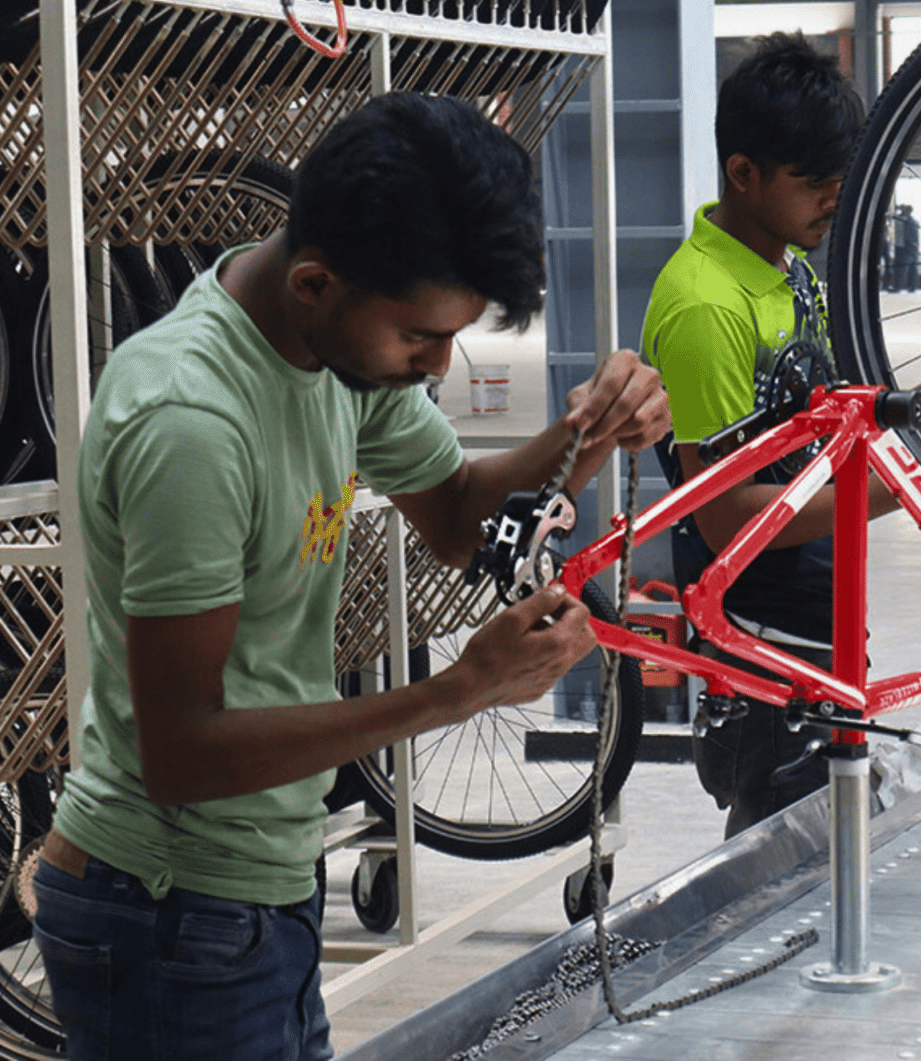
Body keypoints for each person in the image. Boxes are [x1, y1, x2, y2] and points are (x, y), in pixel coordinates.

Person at [33, 92, 670, 1061]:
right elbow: (183, 752)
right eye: (420, 339)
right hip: (169, 911)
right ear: (316, 283)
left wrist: (588, 432)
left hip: (253, 892)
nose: (438, 364)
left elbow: (459, 513)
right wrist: (458, 689)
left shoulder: (331, 353)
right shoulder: (192, 423)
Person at [641, 33, 921, 837]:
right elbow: (727, 517)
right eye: (814, 182)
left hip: (818, 619)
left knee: (822, 857)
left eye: (840, 180)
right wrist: (905, 488)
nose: (832, 199)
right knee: (777, 876)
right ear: (743, 173)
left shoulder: (789, 272)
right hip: (757, 651)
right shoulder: (708, 305)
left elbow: (837, 437)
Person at [890, 202, 921, 292]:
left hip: (908, 247)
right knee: (903, 267)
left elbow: (913, 237)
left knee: (905, 268)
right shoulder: (902, 219)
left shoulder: (910, 221)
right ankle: (909, 286)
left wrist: (914, 246)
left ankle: (900, 287)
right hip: (900, 246)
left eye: (905, 209)